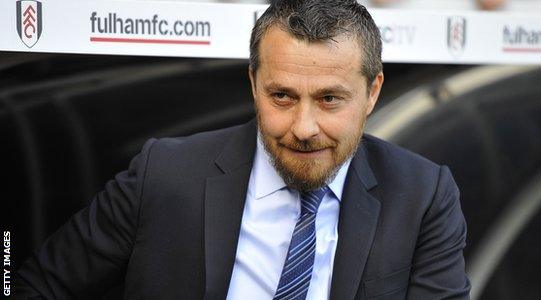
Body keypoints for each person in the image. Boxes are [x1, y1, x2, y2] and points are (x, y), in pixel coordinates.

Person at [14, 0, 470, 299]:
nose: (304, 128)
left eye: (330, 99)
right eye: (282, 97)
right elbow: (35, 285)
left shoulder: (423, 194)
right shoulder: (164, 174)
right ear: (253, 84)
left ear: (372, 93)